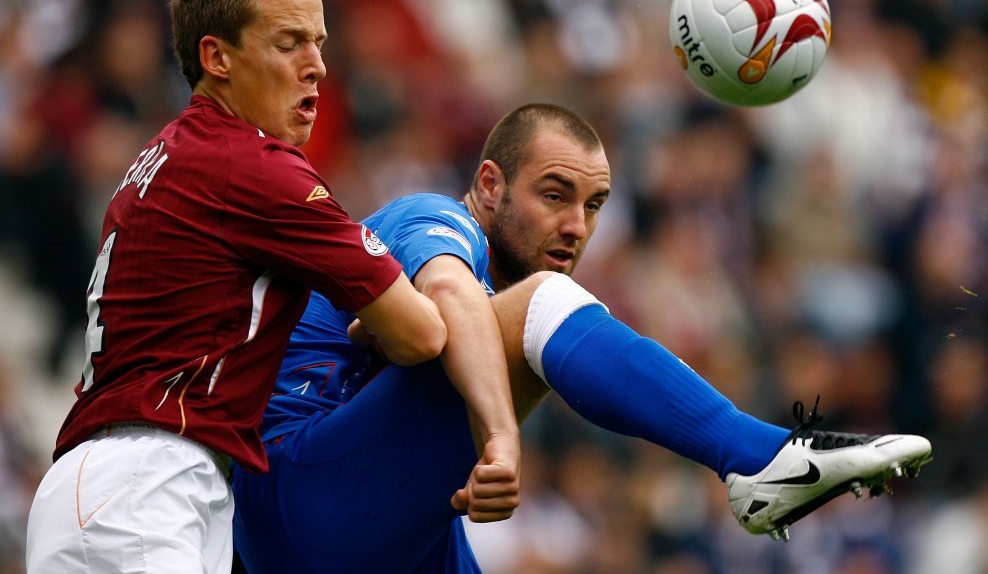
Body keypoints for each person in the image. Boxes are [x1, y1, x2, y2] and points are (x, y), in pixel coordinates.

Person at [230, 104, 932, 573]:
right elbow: (452, 294)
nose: (577, 225)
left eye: (594, 204)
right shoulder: (433, 215)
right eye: (555, 194)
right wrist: (501, 436)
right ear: (489, 184)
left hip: (374, 517)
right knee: (544, 304)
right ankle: (757, 458)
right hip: (296, 489)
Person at [23, 0, 478, 572]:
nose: (316, 67)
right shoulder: (252, 166)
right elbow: (422, 335)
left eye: (318, 42)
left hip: (122, 485)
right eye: (289, 43)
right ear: (217, 58)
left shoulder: (173, 152)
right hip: (145, 487)